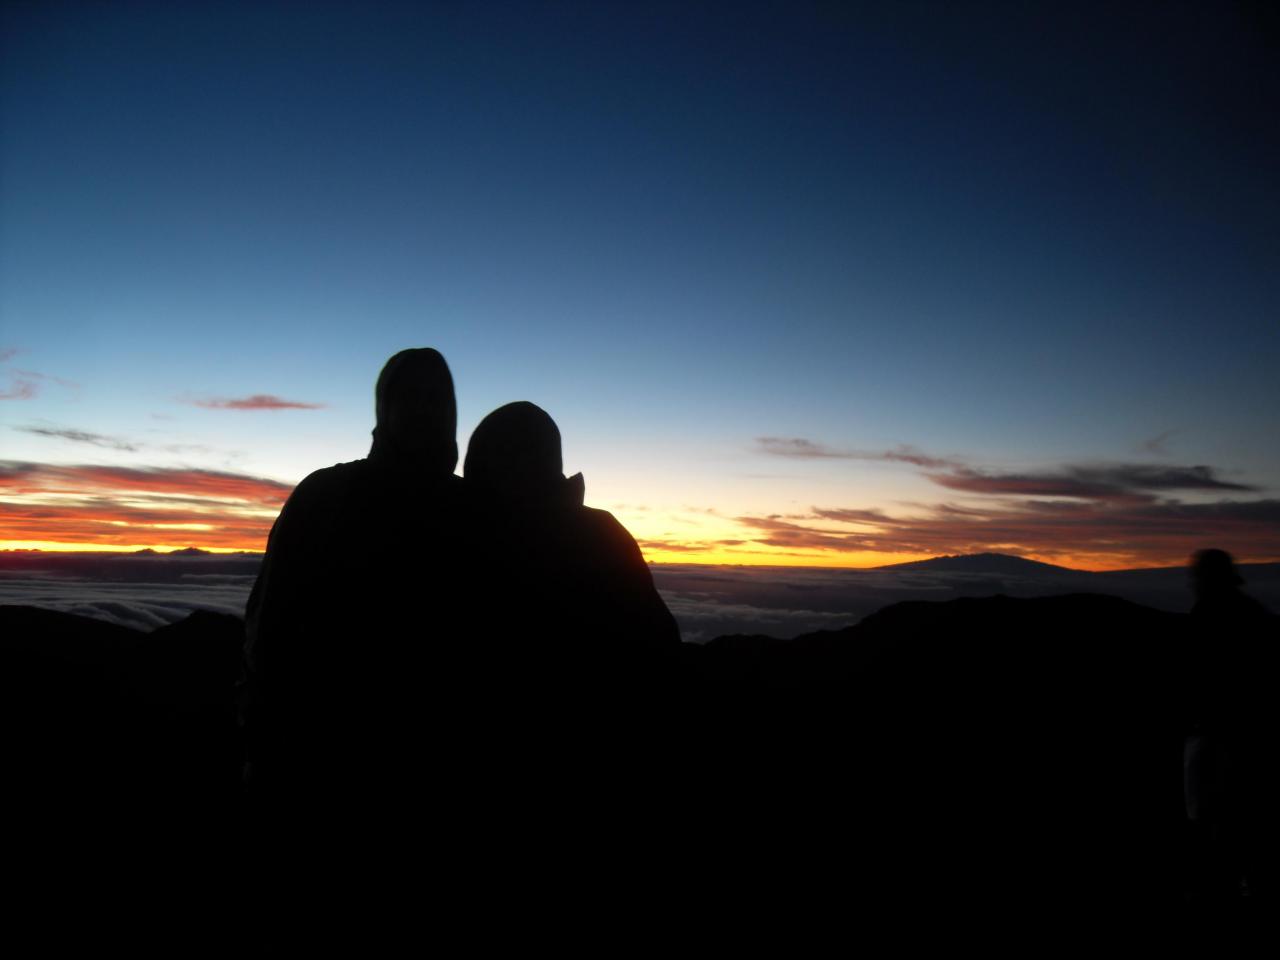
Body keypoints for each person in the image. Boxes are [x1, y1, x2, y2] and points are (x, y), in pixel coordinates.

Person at [241, 347, 469, 819]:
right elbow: (270, 637)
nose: (425, 409)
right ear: (384, 410)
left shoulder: (479, 511)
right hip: (328, 772)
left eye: (436, 399)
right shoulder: (324, 498)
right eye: (409, 396)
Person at [1184, 548, 1276, 898]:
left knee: (1215, 812)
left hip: (1221, 729)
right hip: (1239, 729)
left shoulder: (1211, 613)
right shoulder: (1250, 613)